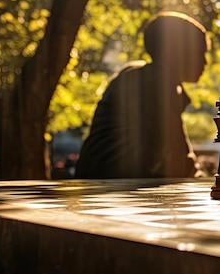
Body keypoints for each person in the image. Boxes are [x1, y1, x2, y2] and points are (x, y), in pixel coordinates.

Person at [75, 11, 210, 178]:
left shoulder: (141, 74)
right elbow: (179, 158)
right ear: (177, 51)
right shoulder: (157, 82)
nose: (205, 62)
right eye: (200, 52)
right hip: (114, 186)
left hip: (101, 180)